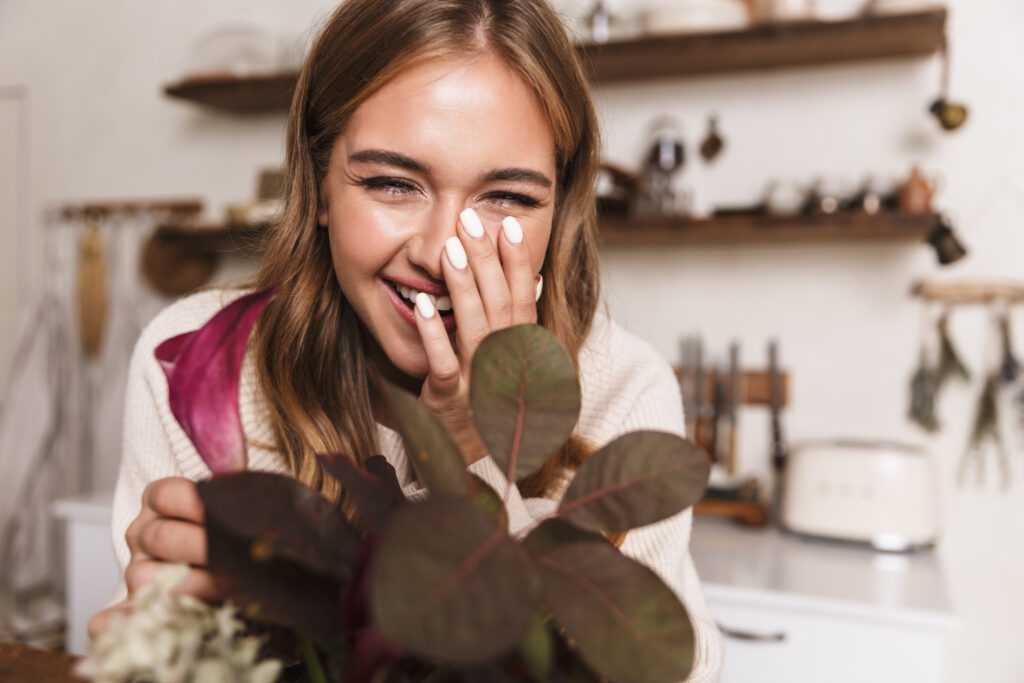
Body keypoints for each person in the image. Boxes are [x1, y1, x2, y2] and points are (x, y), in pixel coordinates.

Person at [90, 0, 723, 679]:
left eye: (506, 196)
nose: (442, 252)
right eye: (394, 183)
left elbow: (668, 665)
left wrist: (473, 462)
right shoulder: (197, 353)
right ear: (320, 184)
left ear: (559, 213)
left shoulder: (624, 389)